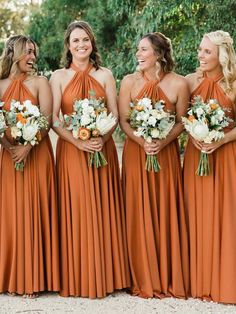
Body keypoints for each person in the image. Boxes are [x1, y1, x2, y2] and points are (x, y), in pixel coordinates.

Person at [50, 20, 130, 298]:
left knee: (102, 207)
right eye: (76, 41)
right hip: (72, 151)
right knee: (79, 208)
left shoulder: (106, 75)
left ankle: (106, 274)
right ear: (68, 46)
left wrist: (101, 139)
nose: (81, 44)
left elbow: (115, 115)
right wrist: (78, 142)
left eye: (85, 39)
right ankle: (78, 275)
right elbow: (55, 120)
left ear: (92, 42)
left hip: (102, 149)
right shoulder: (58, 77)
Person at [119, 32, 189, 298]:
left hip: (166, 154)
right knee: (138, 210)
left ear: (158, 54)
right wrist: (141, 141)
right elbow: (125, 121)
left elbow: (182, 121)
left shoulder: (179, 84)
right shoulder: (127, 82)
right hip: (137, 154)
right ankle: (139, 274)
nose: (138, 54)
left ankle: (168, 274)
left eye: (144, 50)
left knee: (165, 207)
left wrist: (162, 142)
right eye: (138, 49)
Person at [0, 35, 60, 298]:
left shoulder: (41, 83)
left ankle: (35, 278)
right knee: (12, 214)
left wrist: (28, 145)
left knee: (36, 209)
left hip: (37, 155)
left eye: (34, 52)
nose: (32, 57)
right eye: (27, 52)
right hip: (10, 156)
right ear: (13, 53)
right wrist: (9, 146)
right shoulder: (0, 84)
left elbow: (46, 119)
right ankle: (12, 276)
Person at [184, 30, 236, 304]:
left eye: (207, 51)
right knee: (198, 212)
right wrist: (194, 134)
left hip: (226, 156)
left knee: (225, 215)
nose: (200, 55)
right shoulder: (191, 81)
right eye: (200, 50)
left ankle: (225, 280)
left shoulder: (234, 84)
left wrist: (221, 139)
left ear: (222, 56)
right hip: (196, 155)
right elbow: (181, 115)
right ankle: (200, 281)